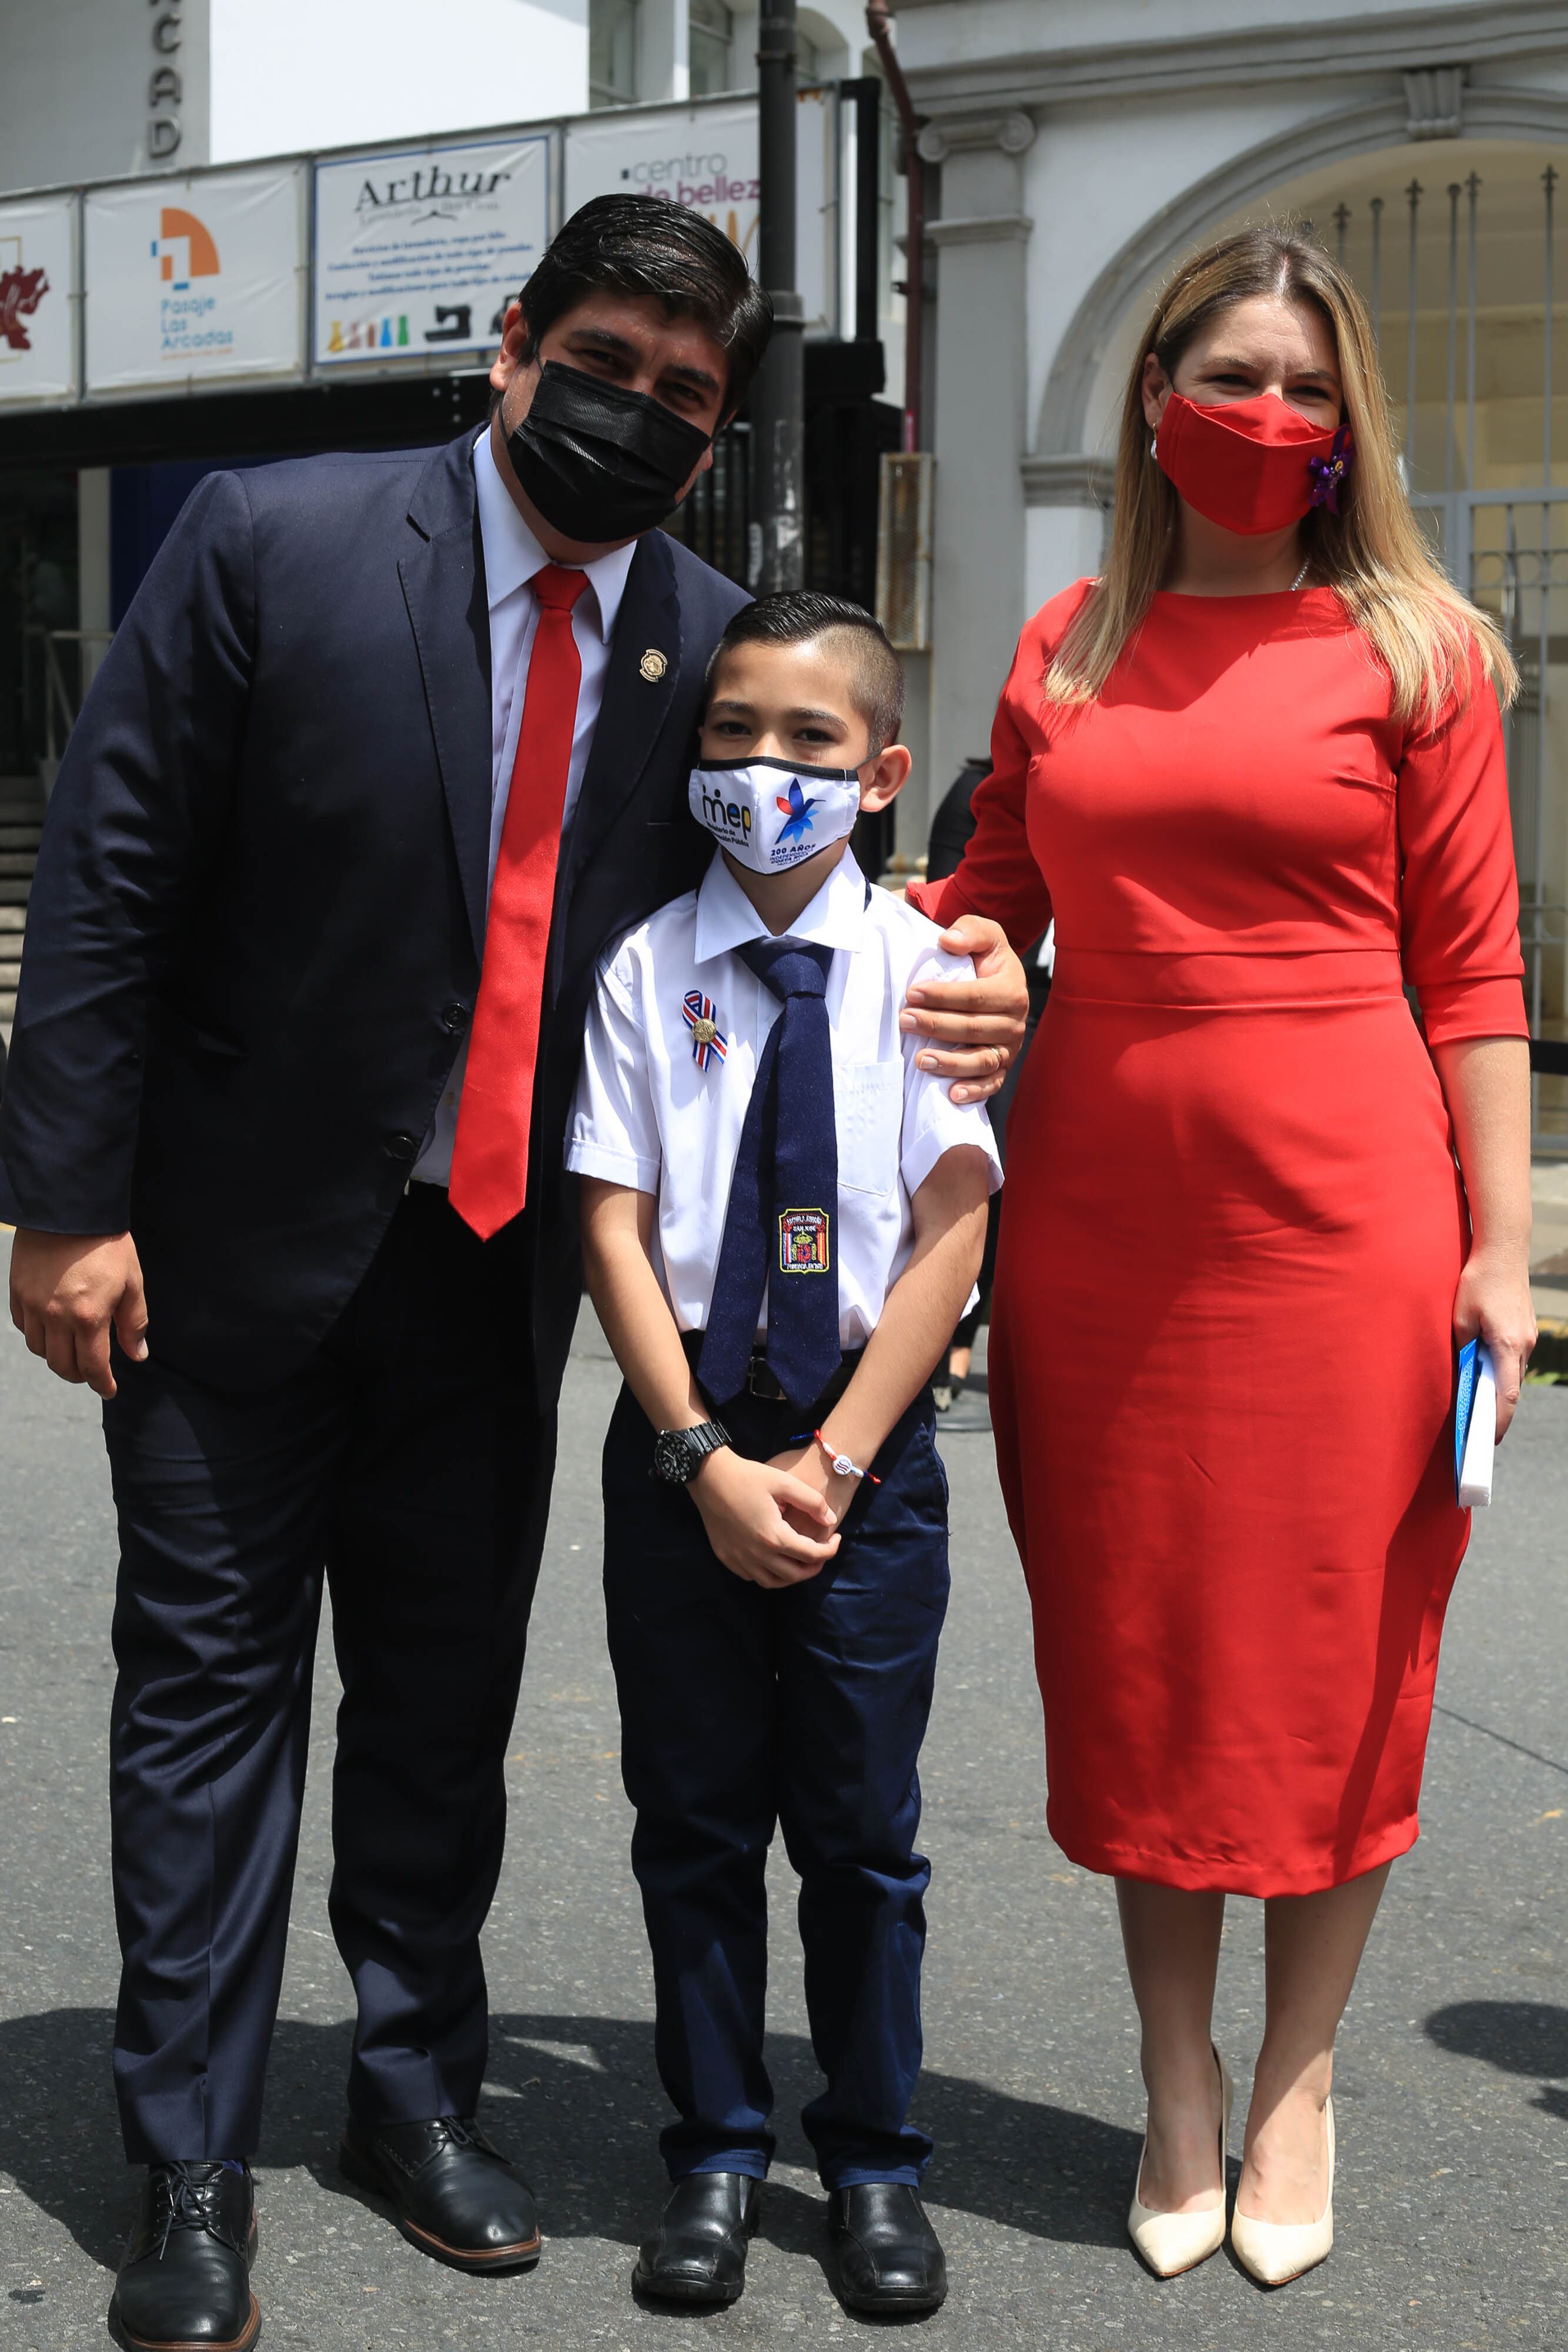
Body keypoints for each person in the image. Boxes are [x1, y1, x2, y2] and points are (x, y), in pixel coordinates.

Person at [0, 199, 1027, 2352]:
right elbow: (110, 867)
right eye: (606, 358)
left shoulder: (713, 632)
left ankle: (408, 2088)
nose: (633, 407)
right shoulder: (274, 542)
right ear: (509, 345)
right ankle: (186, 2150)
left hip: (499, 1264)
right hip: (223, 1257)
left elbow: (819, 860)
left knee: (442, 1707)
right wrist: (64, 1209)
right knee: (208, 1705)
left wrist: (973, 962)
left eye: (681, 388)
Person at [907, 227, 1536, 2288]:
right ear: (1153, 392)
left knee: (1331, 1668)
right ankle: (1174, 2082)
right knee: (1147, 1663)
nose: (1264, 417)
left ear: (1345, 424)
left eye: (1302, 387)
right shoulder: (1065, 646)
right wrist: (939, 950)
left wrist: (1498, 1250)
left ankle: (1295, 2084)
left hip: (1347, 1229)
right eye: (1229, 375)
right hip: (1097, 1233)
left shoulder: (1422, 650)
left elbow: (1471, 975)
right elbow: (983, 900)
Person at [572, 592, 1001, 2314]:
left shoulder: (932, 970)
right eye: (733, 733)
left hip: (860, 1456)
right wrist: (696, 1456)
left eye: (810, 741)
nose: (765, 767)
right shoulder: (642, 966)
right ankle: (718, 2151)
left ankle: (876, 2159)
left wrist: (828, 1462)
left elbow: (954, 1227)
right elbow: (613, 1216)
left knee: (857, 1831)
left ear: (882, 770)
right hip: (682, 1447)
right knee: (687, 1818)